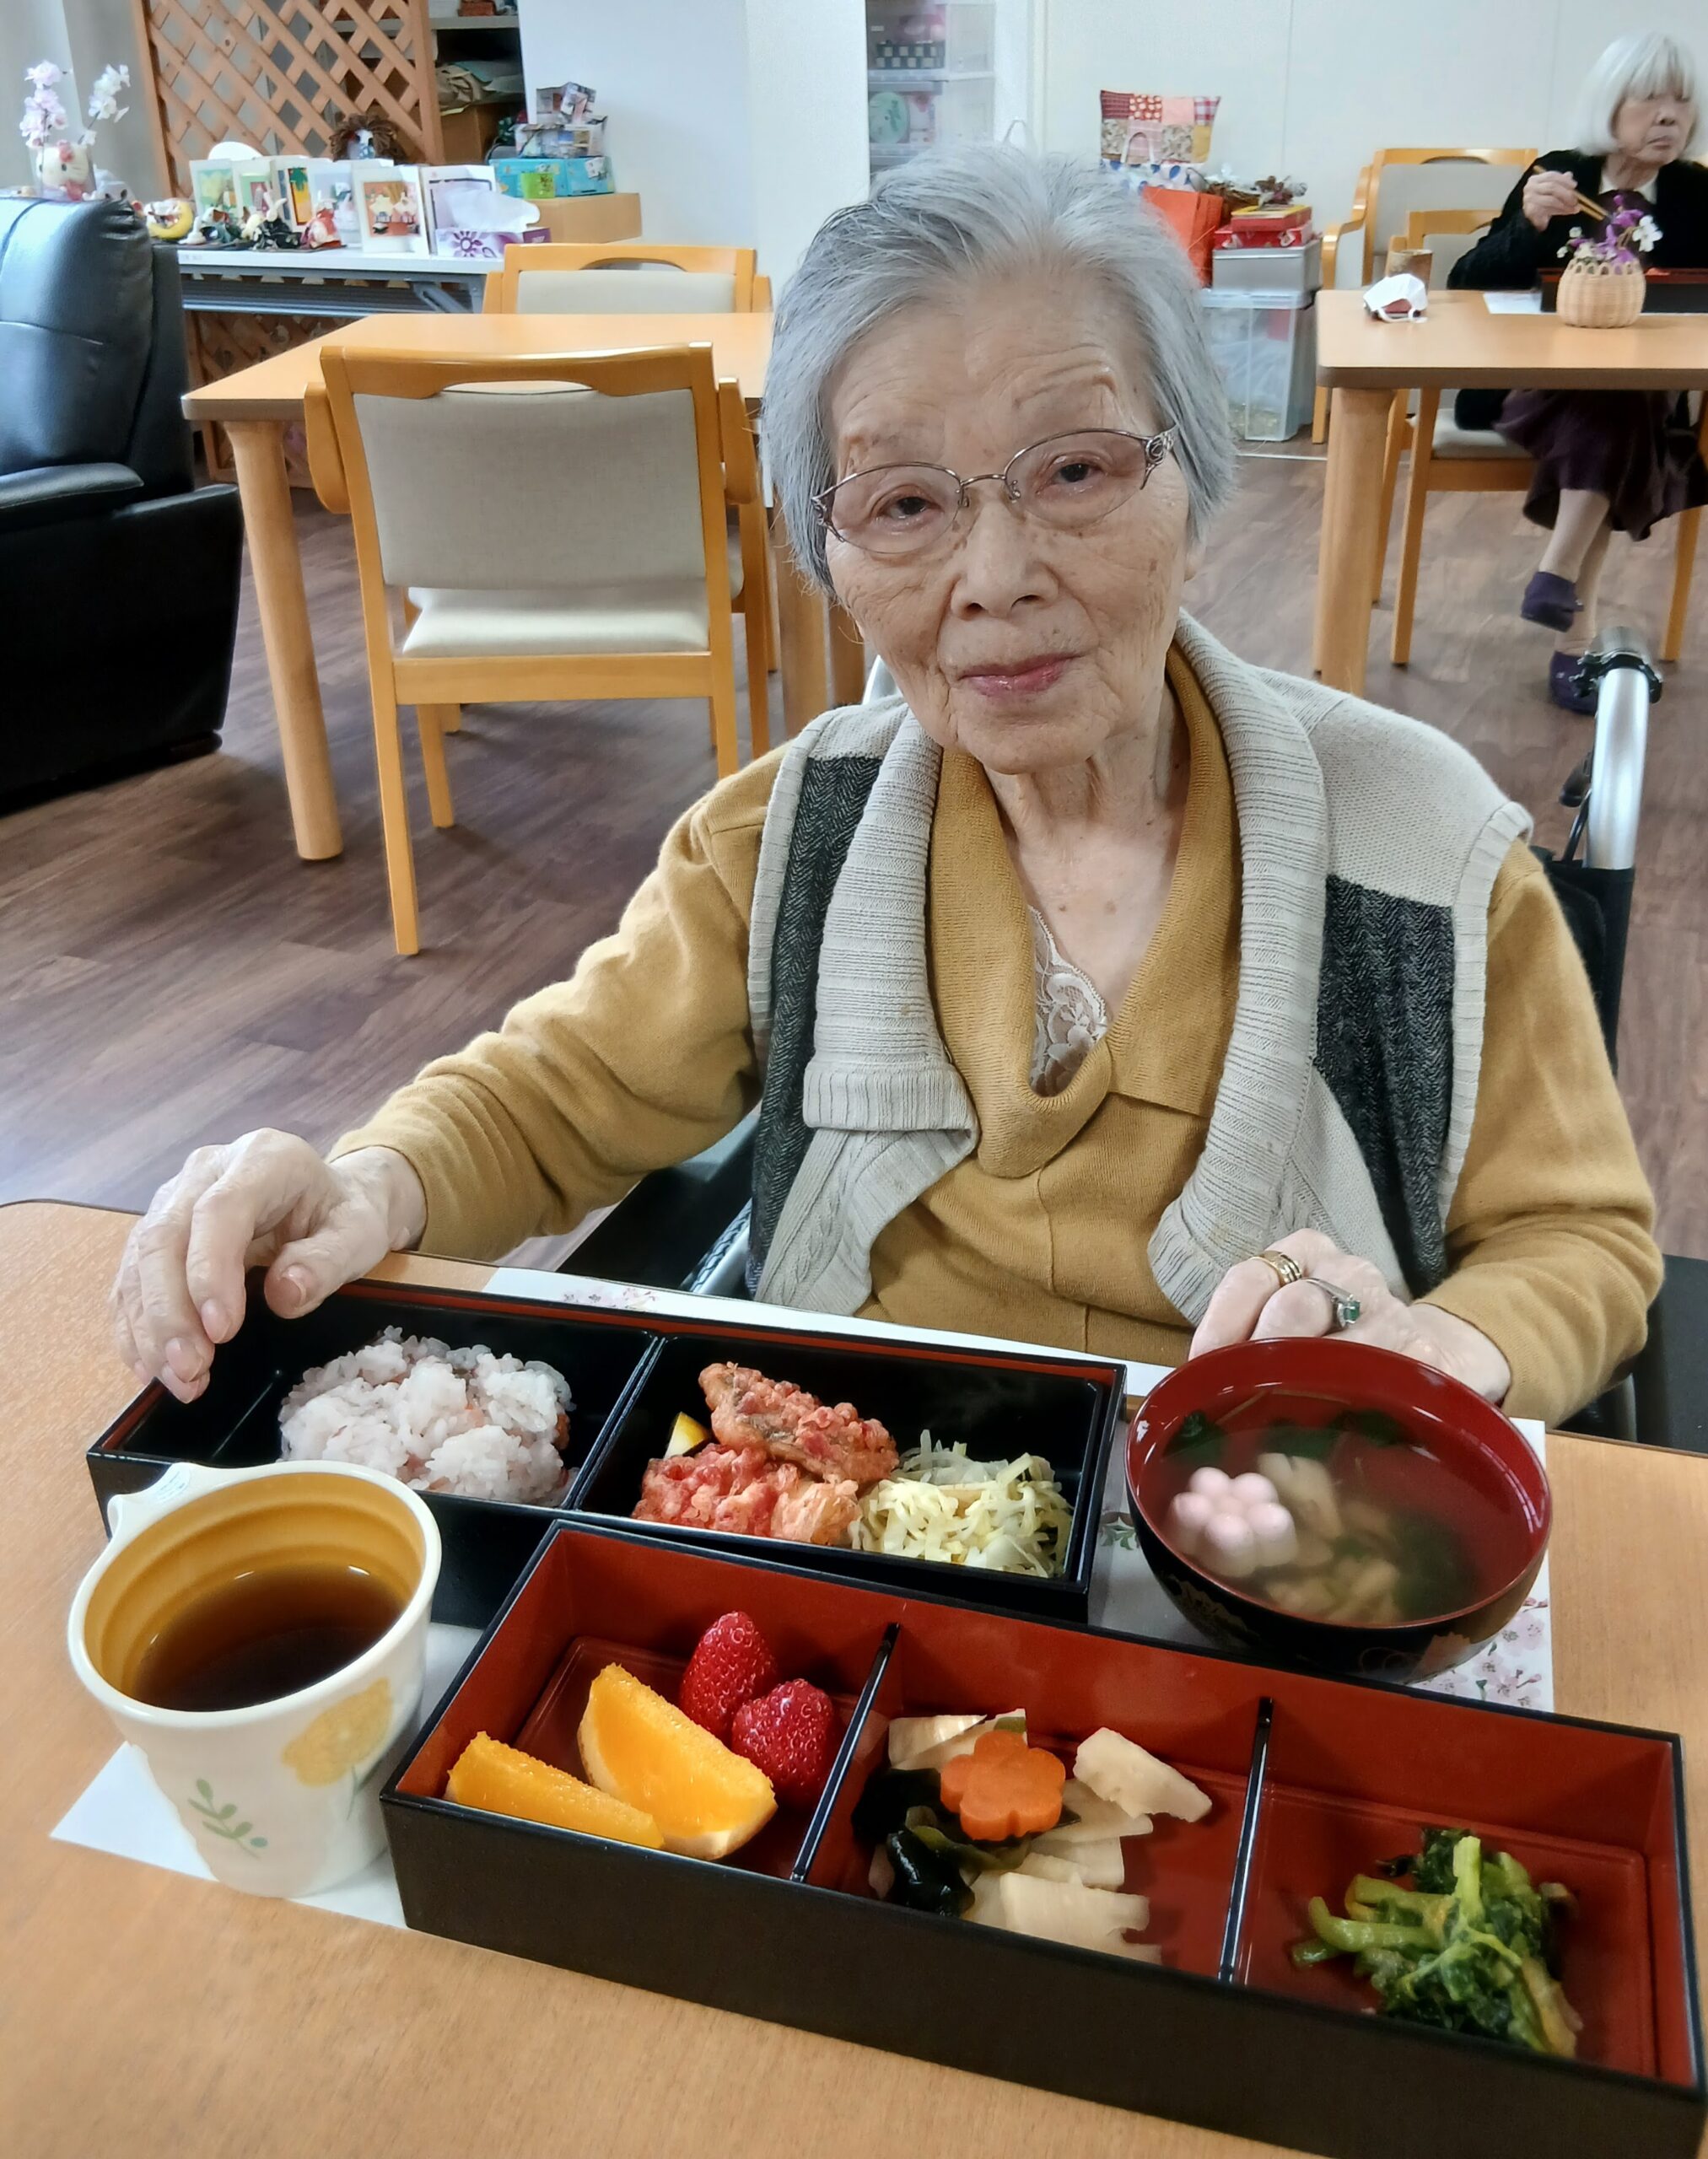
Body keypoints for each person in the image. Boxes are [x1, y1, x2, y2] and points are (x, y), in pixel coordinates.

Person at [110, 146, 1661, 1431]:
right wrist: (368, 1182)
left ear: (1196, 490)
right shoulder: (788, 838)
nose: (995, 576)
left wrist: (1444, 1350)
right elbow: (550, 1098)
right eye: (903, 502)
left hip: (1265, 1526)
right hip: (855, 1531)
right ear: (830, 555)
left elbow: (1576, 1238)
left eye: (1075, 470)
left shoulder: (1422, 848)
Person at [1448, 31, 1708, 712]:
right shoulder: (1559, 173)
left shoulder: (1695, 192)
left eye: (1682, 101)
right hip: (1533, 390)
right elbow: (1464, 282)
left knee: (1620, 397)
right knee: (1618, 407)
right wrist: (1527, 226)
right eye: (1650, 98)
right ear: (1608, 104)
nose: (1669, 116)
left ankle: (1558, 587)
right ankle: (1567, 623)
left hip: (1638, 398)